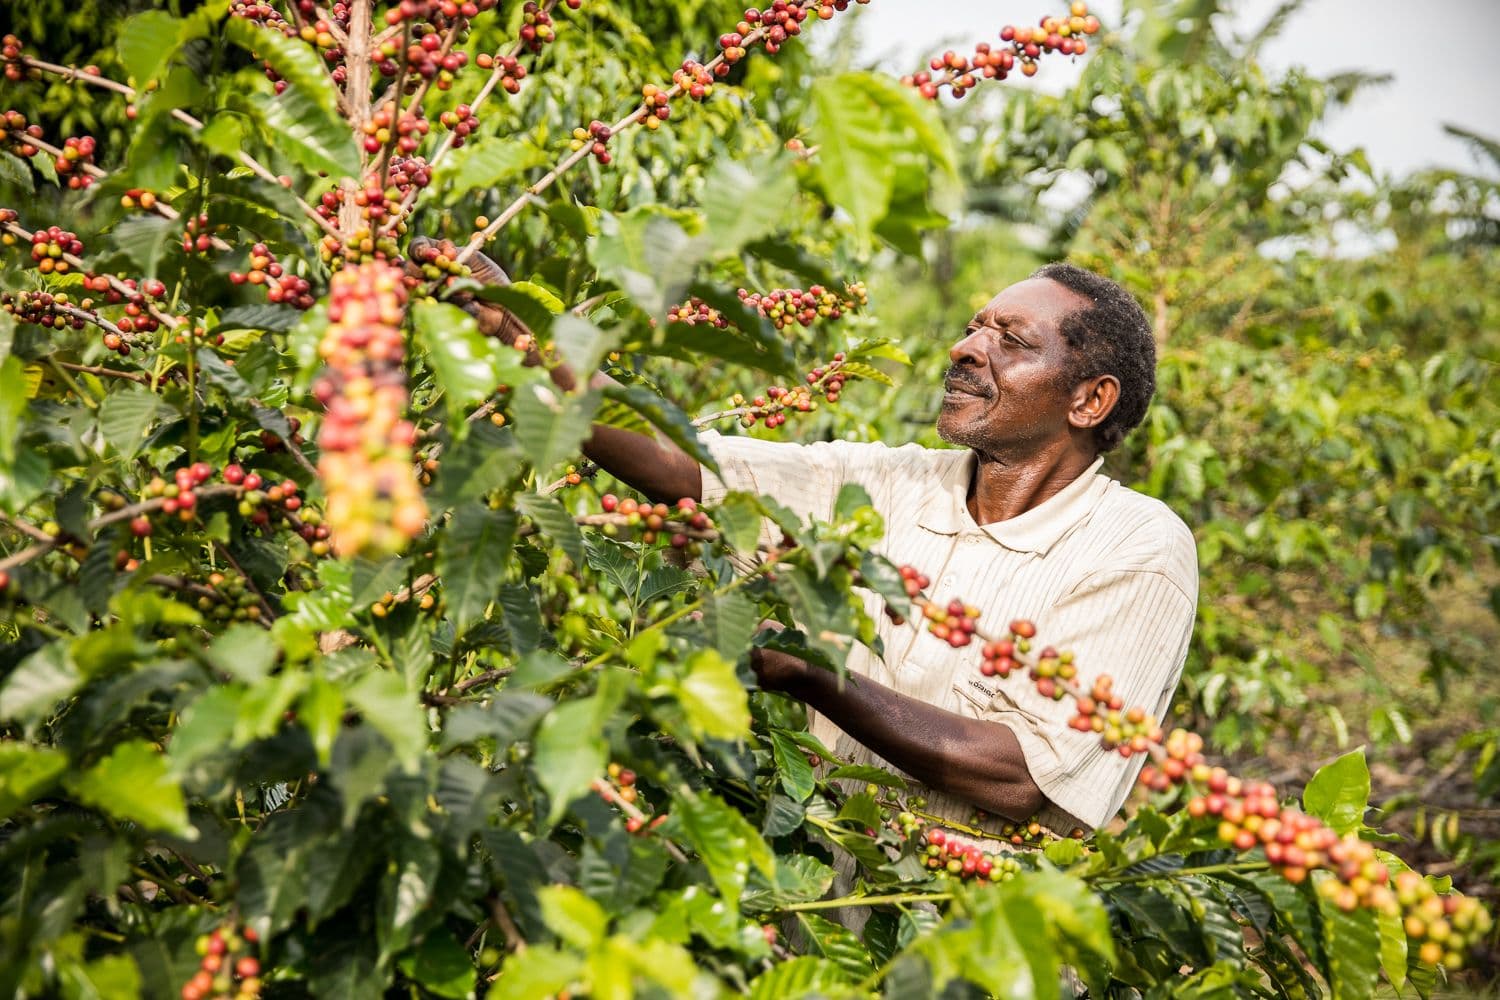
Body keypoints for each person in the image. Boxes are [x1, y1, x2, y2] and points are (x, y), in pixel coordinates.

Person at [427, 238, 1197, 875]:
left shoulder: (1138, 547)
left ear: (1089, 400)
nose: (965, 349)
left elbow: (1023, 773)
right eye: (974, 328)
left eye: (1011, 341)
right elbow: (683, 465)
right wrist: (520, 330)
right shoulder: (889, 483)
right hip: (815, 907)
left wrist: (809, 672)